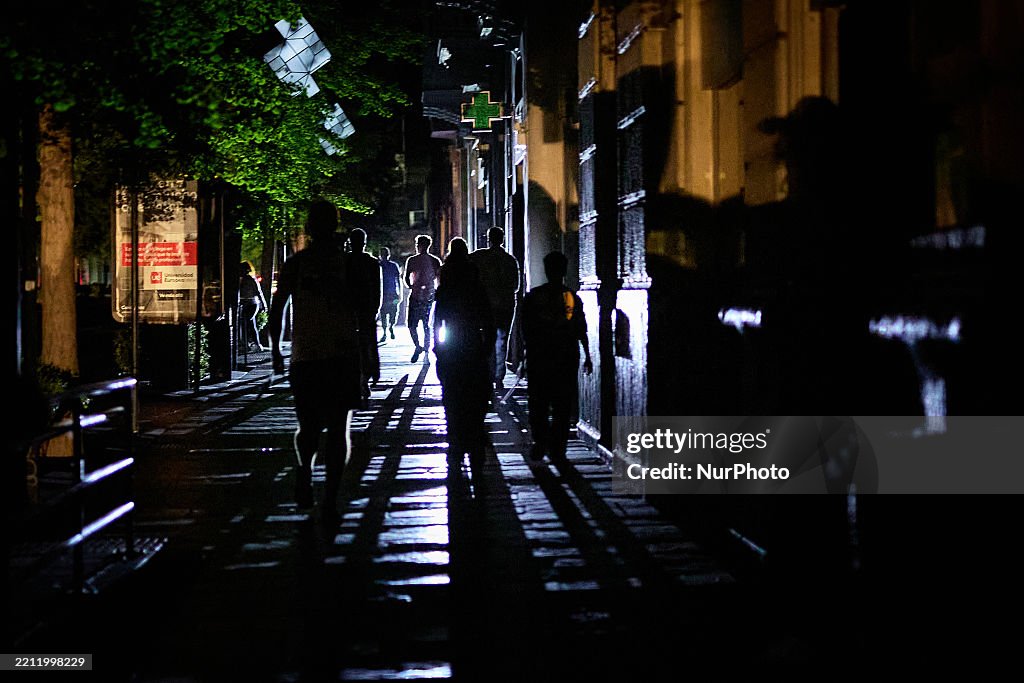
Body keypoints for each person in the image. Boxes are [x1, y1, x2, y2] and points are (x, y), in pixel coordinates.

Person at [269, 200, 363, 518]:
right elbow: (362, 313)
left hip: (305, 356)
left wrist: (276, 351)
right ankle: (331, 496)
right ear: (335, 225)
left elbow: (278, 307)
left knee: (308, 425)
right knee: (339, 429)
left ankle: (305, 473)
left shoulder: (296, 264)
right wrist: (366, 355)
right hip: (342, 354)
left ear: (308, 228)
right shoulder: (347, 265)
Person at [522, 251, 593, 464]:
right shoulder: (571, 297)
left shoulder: (533, 296)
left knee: (538, 403)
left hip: (539, 356)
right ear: (564, 271)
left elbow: (526, 330)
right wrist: (587, 354)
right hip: (565, 355)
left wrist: (527, 355)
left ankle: (540, 441)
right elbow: (580, 328)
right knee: (562, 404)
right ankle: (558, 447)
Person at [433, 237, 493, 468]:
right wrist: (486, 342)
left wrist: (437, 344)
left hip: (452, 341)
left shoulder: (446, 287)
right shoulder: (475, 285)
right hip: (472, 339)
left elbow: (438, 319)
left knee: (452, 391)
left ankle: (455, 435)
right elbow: (486, 317)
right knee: (478, 390)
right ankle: (475, 429)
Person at [470, 226, 521, 393]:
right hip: (506, 304)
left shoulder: (479, 256)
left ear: (488, 239)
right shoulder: (510, 260)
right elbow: (516, 286)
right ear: (503, 239)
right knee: (502, 340)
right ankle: (499, 377)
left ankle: (488, 373)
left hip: (485, 305)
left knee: (486, 339)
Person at [347, 228, 382, 401]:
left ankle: (357, 379)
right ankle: (368, 375)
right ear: (364, 242)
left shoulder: (344, 261)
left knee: (350, 347)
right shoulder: (372, 262)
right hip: (366, 309)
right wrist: (375, 308)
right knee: (368, 344)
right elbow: (377, 289)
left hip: (348, 309)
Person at [404, 234, 442, 363]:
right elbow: (439, 279)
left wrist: (412, 286)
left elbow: (406, 278)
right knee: (426, 325)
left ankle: (418, 346)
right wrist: (436, 291)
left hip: (415, 295)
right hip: (429, 296)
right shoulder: (435, 260)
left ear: (418, 245)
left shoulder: (412, 260)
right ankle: (425, 349)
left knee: (412, 324)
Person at [238, 261, 268, 351]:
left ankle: (248, 344)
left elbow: (259, 292)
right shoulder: (245, 279)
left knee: (246, 323)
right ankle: (255, 344)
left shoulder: (249, 279)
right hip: (250, 304)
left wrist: (264, 305)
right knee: (251, 324)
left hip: (251, 304)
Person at [378, 247, 402, 343]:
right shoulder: (393, 265)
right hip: (392, 293)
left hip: (384, 293)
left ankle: (385, 331)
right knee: (393, 312)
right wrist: (399, 293)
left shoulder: (379, 265)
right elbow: (398, 280)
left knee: (384, 313)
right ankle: (390, 327)